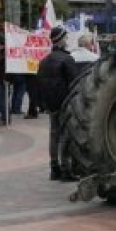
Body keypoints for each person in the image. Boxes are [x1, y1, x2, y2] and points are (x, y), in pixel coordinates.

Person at [35, 26, 80, 180]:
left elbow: (38, 84)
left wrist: (42, 103)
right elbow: (75, 83)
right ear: (61, 40)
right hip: (65, 104)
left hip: (50, 104)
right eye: (66, 38)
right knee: (66, 136)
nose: (67, 41)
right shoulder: (67, 59)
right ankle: (66, 169)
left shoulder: (44, 61)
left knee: (54, 135)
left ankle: (54, 168)